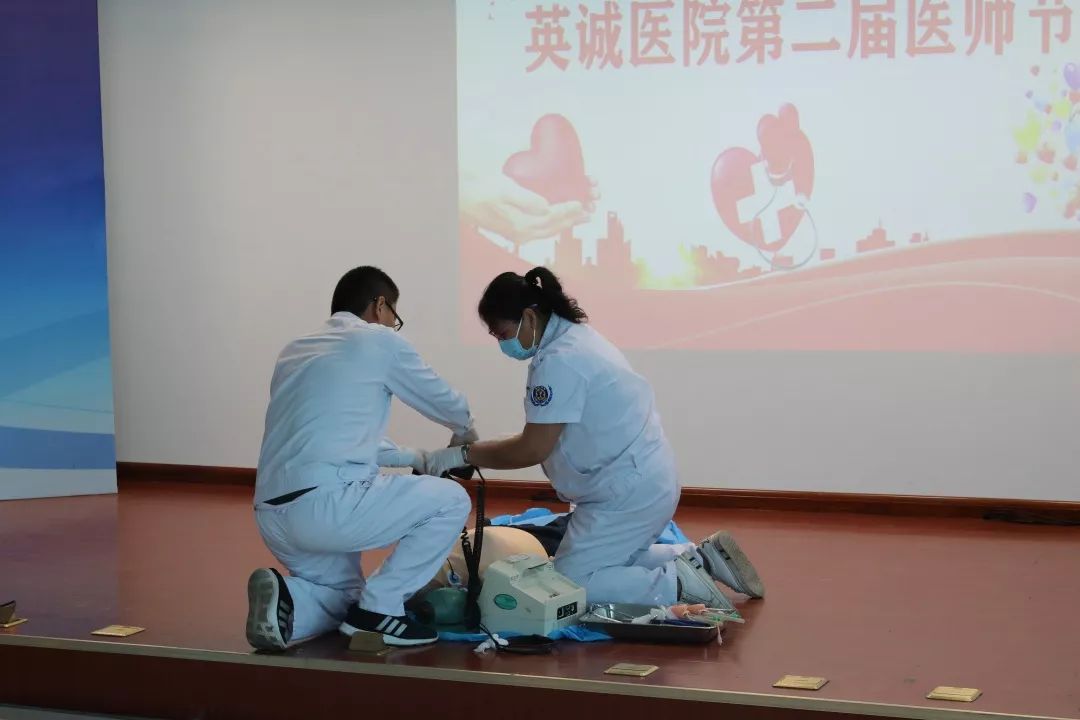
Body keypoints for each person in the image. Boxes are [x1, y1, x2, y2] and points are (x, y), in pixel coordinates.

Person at [425, 267, 764, 609]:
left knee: (569, 583)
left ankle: (679, 583)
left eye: (502, 334)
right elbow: (540, 435)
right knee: (606, 561)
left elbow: (533, 447)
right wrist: (472, 450)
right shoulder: (576, 340)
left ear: (529, 317)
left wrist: (464, 455)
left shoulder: (560, 361)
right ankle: (700, 559)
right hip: (640, 480)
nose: (502, 344)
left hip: (625, 493)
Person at [245, 266, 477, 650]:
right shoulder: (378, 341)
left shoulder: (295, 351)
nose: (392, 325)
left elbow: (337, 437)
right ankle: (382, 609)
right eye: (393, 317)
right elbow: (445, 402)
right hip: (327, 509)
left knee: (346, 594)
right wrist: (466, 431)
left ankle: (290, 600)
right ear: (380, 306)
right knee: (451, 501)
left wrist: (419, 456)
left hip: (272, 515)